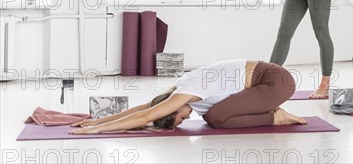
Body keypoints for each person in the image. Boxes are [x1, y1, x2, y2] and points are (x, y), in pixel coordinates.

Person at [70, 60, 306, 134]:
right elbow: (148, 106)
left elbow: (148, 114)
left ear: (172, 110)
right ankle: (271, 112)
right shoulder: (175, 94)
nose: (184, 120)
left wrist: (98, 131)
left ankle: (277, 117)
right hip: (265, 82)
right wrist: (98, 120)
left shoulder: (187, 92)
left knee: (216, 118)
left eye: (179, 120)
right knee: (213, 115)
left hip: (275, 82)